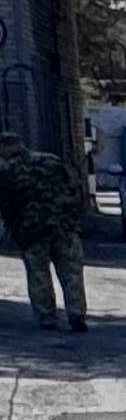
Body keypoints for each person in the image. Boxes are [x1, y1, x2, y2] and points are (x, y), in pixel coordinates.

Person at [0, 133, 90, 333]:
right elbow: (74, 187)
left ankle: (47, 317)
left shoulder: (9, 171)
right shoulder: (51, 160)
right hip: (64, 227)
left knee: (39, 274)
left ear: (6, 147)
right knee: (72, 273)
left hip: (33, 230)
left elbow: (6, 203)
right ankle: (76, 314)